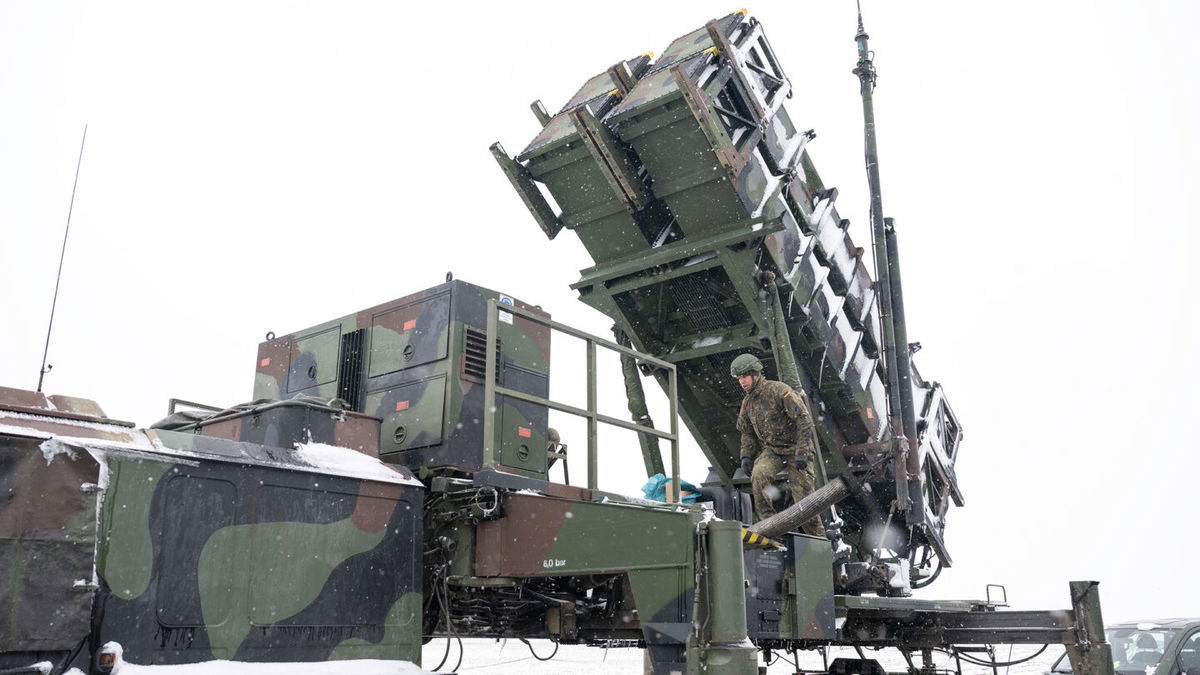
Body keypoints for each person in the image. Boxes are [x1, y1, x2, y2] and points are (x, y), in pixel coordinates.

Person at [731, 353, 825, 537]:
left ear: (755, 374)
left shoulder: (779, 391)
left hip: (796, 449)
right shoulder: (748, 402)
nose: (741, 382)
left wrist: (802, 452)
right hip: (773, 451)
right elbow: (747, 432)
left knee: (804, 500)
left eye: (744, 376)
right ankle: (770, 527)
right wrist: (746, 456)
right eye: (738, 378)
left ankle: (819, 539)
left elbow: (804, 420)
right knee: (759, 476)